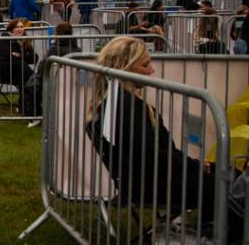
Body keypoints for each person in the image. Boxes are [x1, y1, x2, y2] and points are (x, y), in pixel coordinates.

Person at [84, 37, 239, 221]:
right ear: (125, 67)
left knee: (231, 175)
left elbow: (156, 155)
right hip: (152, 183)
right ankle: (211, 237)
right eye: (145, 65)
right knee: (224, 182)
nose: (151, 70)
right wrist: (194, 165)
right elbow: (154, 156)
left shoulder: (114, 104)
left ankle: (210, 236)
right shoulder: (126, 107)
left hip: (149, 179)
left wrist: (193, 164)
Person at [0, 19, 38, 115]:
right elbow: (7, 55)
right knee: (22, 66)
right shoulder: (5, 38)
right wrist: (22, 56)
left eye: (21, 27)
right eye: (17, 27)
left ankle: (25, 106)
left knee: (23, 77)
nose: (20, 29)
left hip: (17, 71)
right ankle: (34, 81)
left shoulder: (25, 40)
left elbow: (34, 58)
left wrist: (19, 55)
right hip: (0, 70)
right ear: (11, 30)